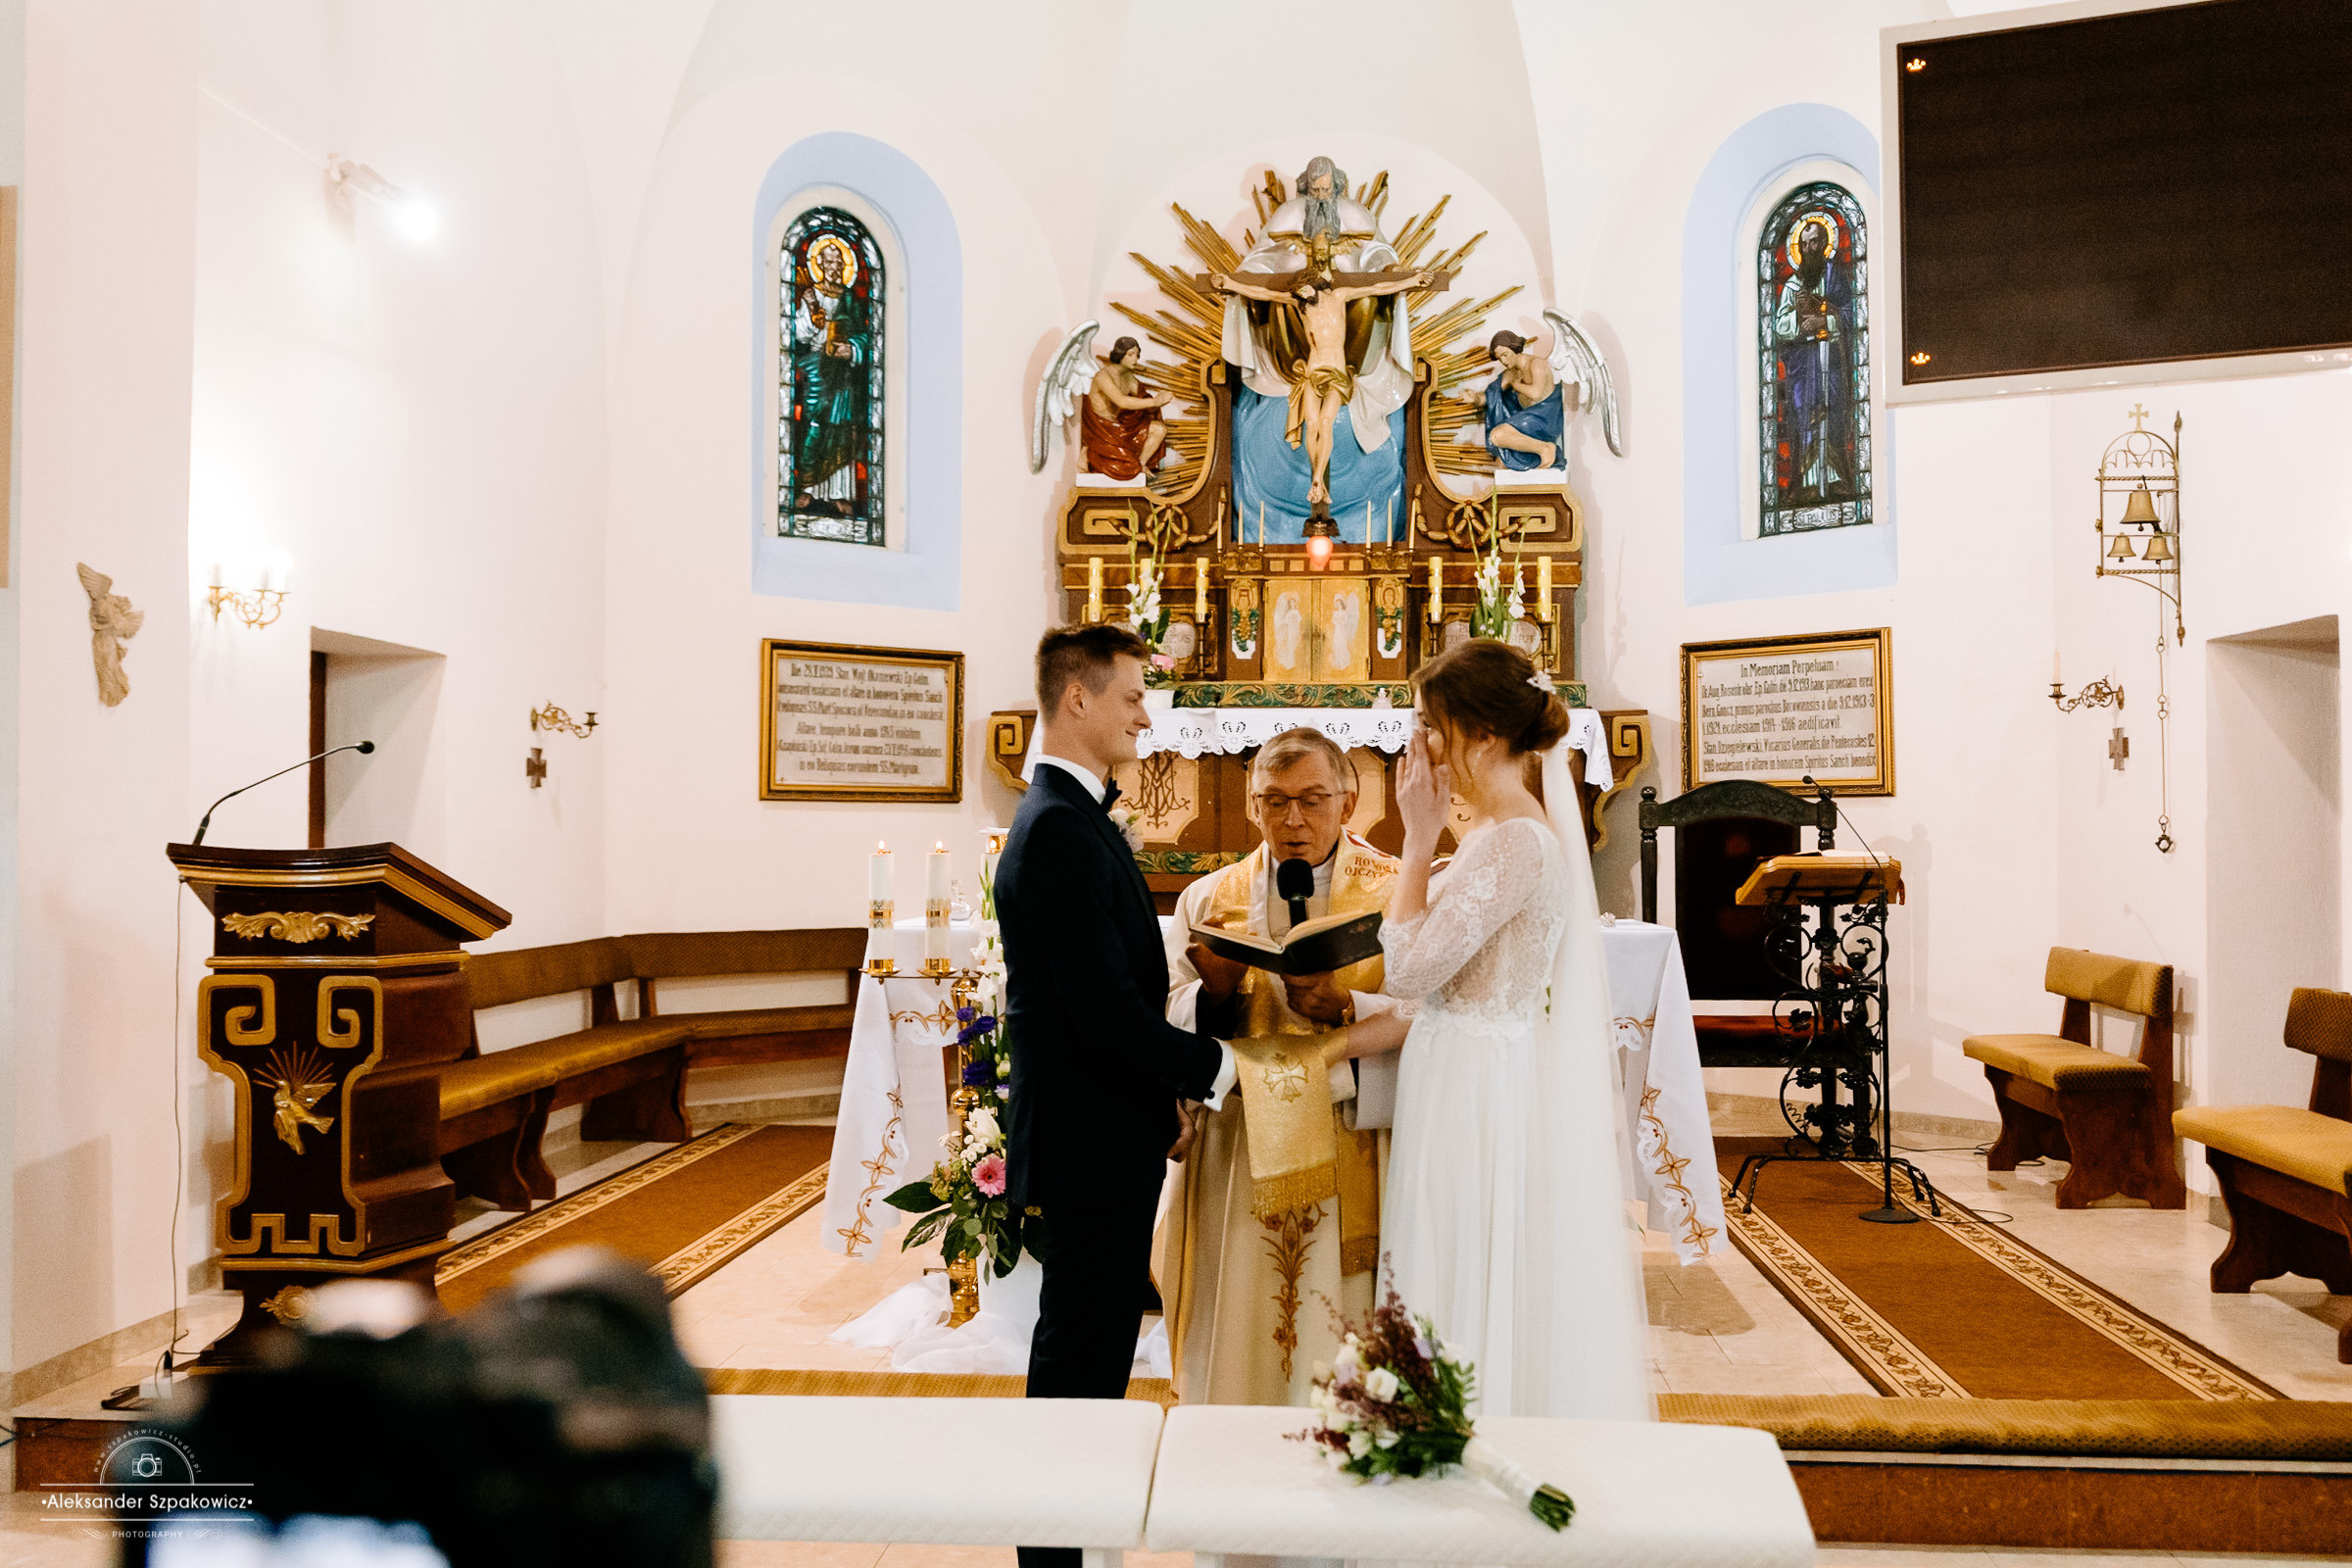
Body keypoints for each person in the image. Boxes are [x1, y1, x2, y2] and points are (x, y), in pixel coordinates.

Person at [1338, 638, 1651, 1421]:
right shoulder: (1498, 834)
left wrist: (1414, 838)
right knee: (1454, 1250)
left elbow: (1408, 968)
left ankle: (1462, 1426)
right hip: (1467, 1063)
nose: (1419, 743)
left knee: (1461, 1250)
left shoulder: (1511, 839)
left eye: (1429, 724)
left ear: (1479, 734)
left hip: (1475, 1080)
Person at [994, 623, 1237, 1568]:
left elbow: (1115, 995)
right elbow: (1100, 1011)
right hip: (1090, 1137)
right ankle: (1052, 1554)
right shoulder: (1057, 826)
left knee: (1091, 1349)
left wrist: (1163, 1092)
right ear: (1078, 699)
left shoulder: (1073, 813)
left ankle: (1073, 1539)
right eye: (1133, 694)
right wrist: (1211, 1073)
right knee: (1076, 1357)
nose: (1146, 711)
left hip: (1106, 1124)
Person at [1159, 727, 1403, 1404]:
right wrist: (1212, 993)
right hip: (1242, 1146)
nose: (1293, 820)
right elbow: (1168, 1013)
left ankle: (1343, 1422)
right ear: (1252, 805)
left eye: (1312, 800)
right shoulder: (1210, 900)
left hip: (1348, 1131)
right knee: (1242, 1298)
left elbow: (1429, 1009)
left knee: (1338, 1304)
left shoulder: (1395, 892)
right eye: (1275, 802)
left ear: (1349, 803)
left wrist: (1347, 1004)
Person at [1212, 266, 1429, 508]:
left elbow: (1378, 287)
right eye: (1299, 294)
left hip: (1336, 374)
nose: (1301, 297)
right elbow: (1263, 294)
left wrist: (1412, 280)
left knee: (1326, 422)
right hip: (1311, 374)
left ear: (1314, 284)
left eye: (1304, 290)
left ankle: (1317, 477)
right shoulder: (1301, 305)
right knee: (1312, 424)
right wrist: (1231, 284)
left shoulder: (1339, 296)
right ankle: (1317, 480)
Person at [1080, 336, 1171, 479]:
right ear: (1120, 354)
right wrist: (1155, 402)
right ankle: (1090, 452)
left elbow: (1144, 403)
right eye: (1131, 355)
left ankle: (1141, 464)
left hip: (1122, 428)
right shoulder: (1103, 376)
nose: (1135, 359)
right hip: (1103, 431)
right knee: (1127, 467)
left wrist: (1158, 402)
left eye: (1137, 355)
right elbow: (1121, 401)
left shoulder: (1129, 379)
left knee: (1160, 429)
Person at [1482, 328, 1565, 471]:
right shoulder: (1511, 373)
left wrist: (1515, 385)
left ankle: (1546, 449)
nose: (1503, 361)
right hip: (1531, 419)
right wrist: (1475, 398)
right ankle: (1528, 455)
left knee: (1497, 435)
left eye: (1505, 355)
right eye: (1499, 358)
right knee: (1498, 437)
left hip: (1546, 417)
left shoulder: (1536, 364)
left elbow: (1535, 393)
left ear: (1514, 347)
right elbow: (1492, 395)